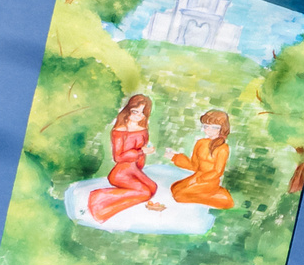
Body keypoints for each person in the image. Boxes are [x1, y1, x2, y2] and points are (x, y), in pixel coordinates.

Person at [87, 93, 160, 221]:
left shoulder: (143, 129)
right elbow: (118, 157)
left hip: (134, 169)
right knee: (144, 193)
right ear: (128, 110)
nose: (138, 116)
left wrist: (145, 152)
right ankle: (98, 198)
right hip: (120, 172)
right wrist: (141, 152)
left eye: (142, 113)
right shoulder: (119, 131)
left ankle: (127, 192)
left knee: (153, 188)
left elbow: (142, 151)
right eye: (135, 111)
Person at [168, 109, 236, 207]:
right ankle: (216, 194)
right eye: (206, 126)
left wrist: (199, 179)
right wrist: (175, 157)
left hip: (210, 181)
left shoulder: (223, 148)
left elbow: (217, 172)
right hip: (197, 176)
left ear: (222, 128)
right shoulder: (200, 142)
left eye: (214, 127)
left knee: (179, 196)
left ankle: (221, 198)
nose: (209, 130)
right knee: (174, 188)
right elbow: (194, 165)